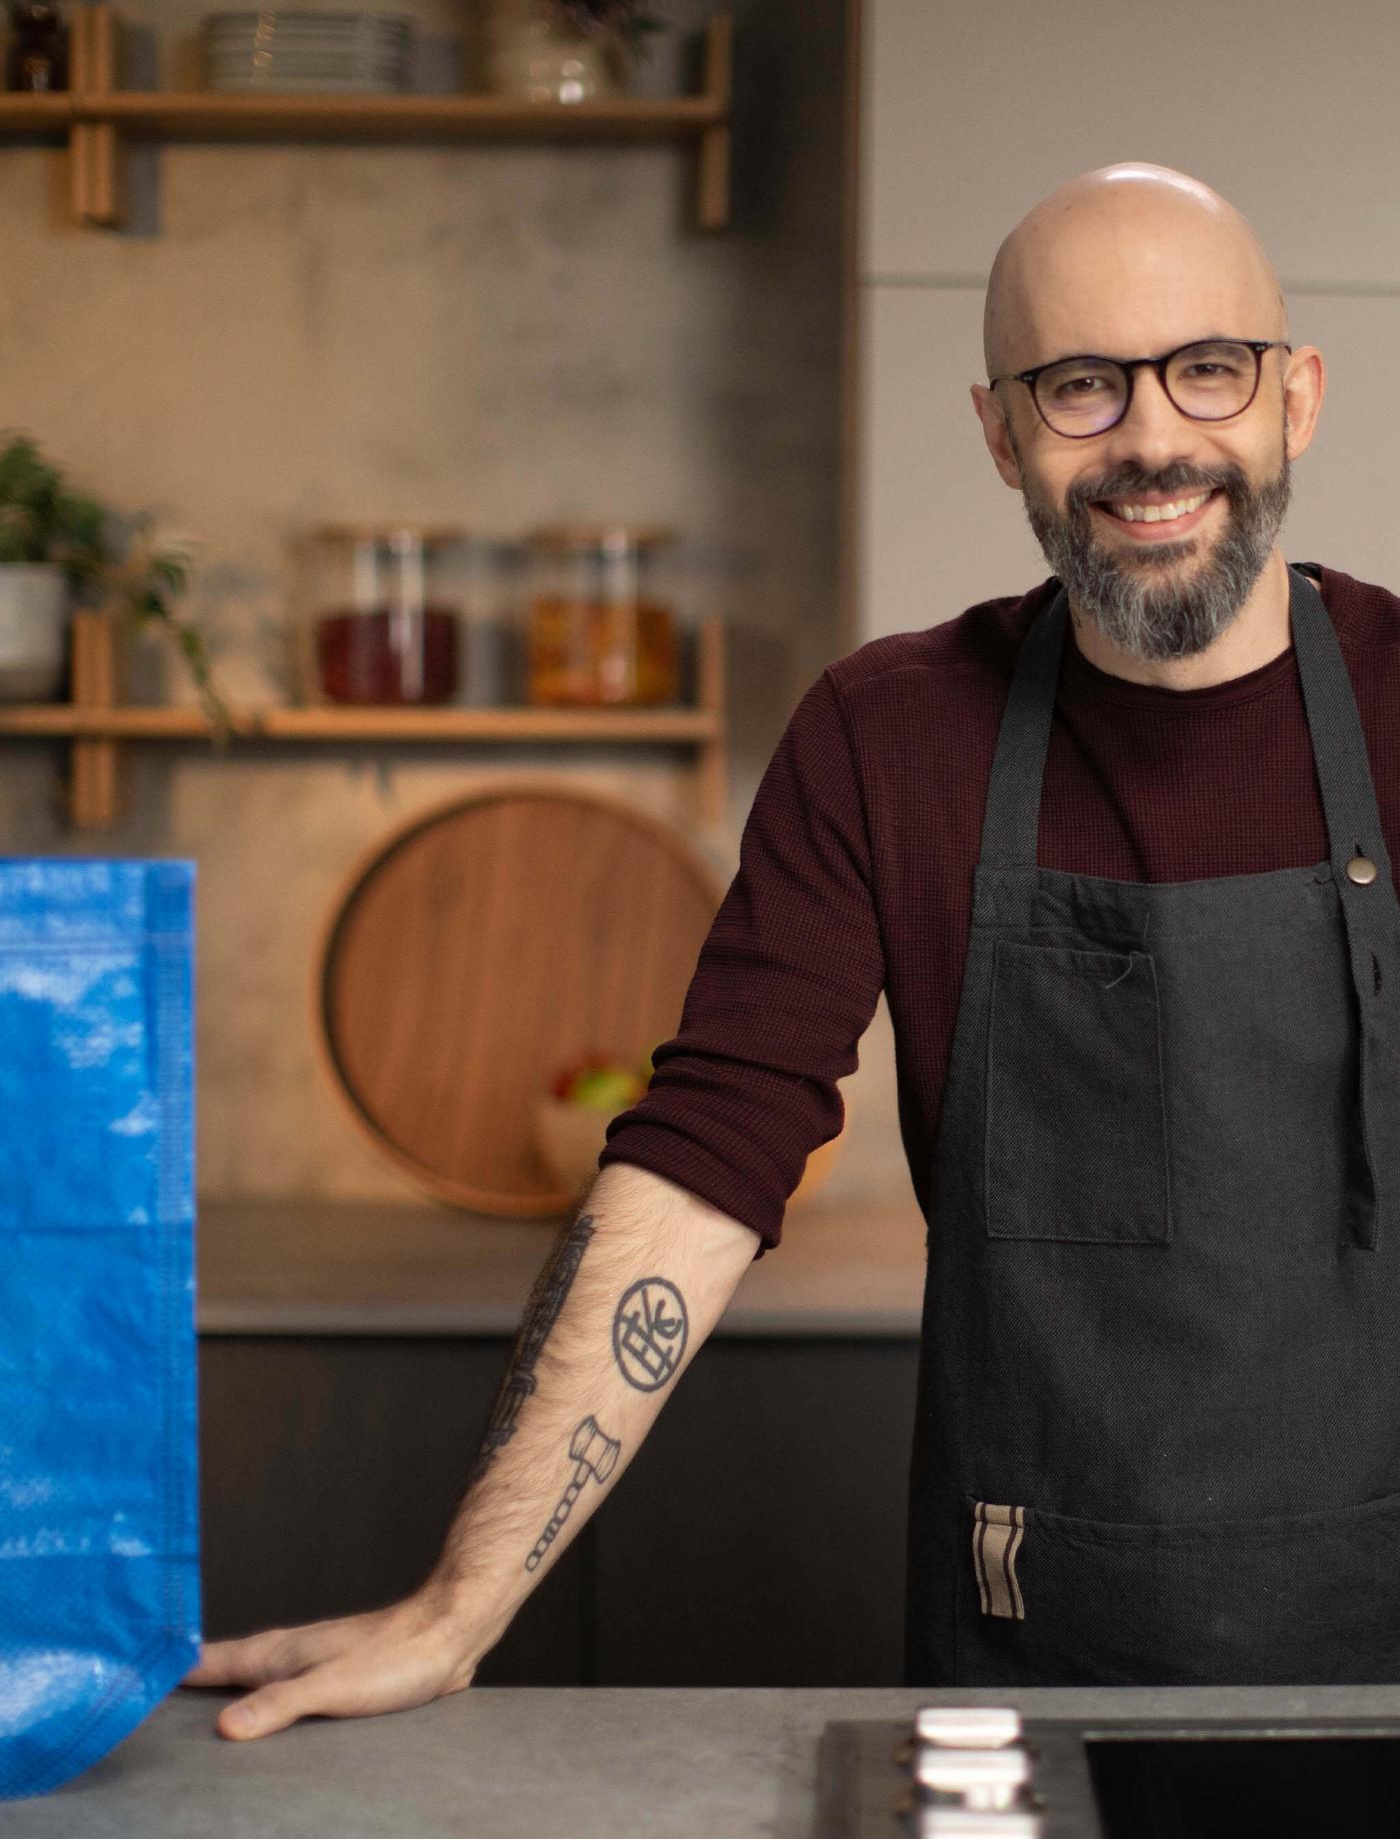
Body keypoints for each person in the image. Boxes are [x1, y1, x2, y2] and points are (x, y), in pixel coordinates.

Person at [186, 155, 1400, 1731]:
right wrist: (456, 1603)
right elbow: (705, 1158)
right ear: (1000, 433)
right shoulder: (890, 735)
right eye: (1082, 386)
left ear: (1295, 396)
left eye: (1207, 372)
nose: (1154, 439)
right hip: (1028, 1661)